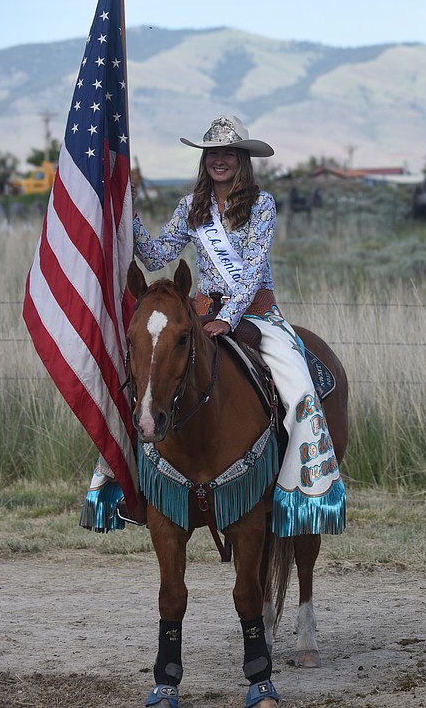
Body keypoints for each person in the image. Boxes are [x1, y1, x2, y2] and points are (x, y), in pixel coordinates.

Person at [130, 114, 346, 536]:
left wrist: (229, 318)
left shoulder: (261, 204)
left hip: (257, 316)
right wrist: (131, 214)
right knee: (144, 379)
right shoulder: (191, 207)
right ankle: (126, 488)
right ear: (204, 159)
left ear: (242, 159)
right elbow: (155, 255)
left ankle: (300, 490)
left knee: (301, 391)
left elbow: (252, 270)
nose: (219, 160)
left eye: (228, 153)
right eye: (212, 153)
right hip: (200, 312)